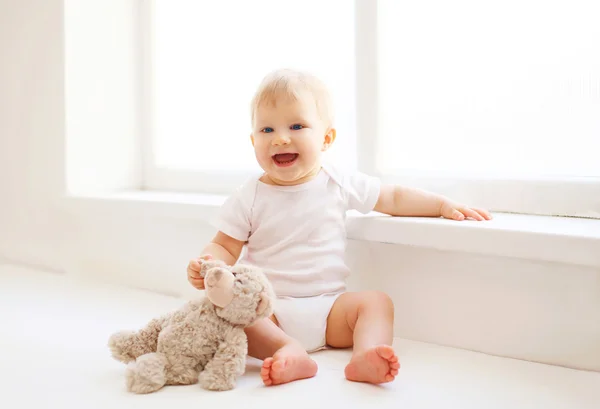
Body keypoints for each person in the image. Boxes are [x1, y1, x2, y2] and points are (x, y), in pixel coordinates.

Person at [187, 69, 492, 386]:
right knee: (231, 312)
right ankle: (288, 351)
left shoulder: (338, 181)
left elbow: (393, 198)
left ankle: (367, 354)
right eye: (267, 129)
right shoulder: (249, 195)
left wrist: (441, 205)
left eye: (296, 126)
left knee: (376, 302)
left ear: (326, 138)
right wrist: (210, 264)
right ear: (253, 141)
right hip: (270, 313)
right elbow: (224, 245)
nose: (280, 137)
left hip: (331, 310)